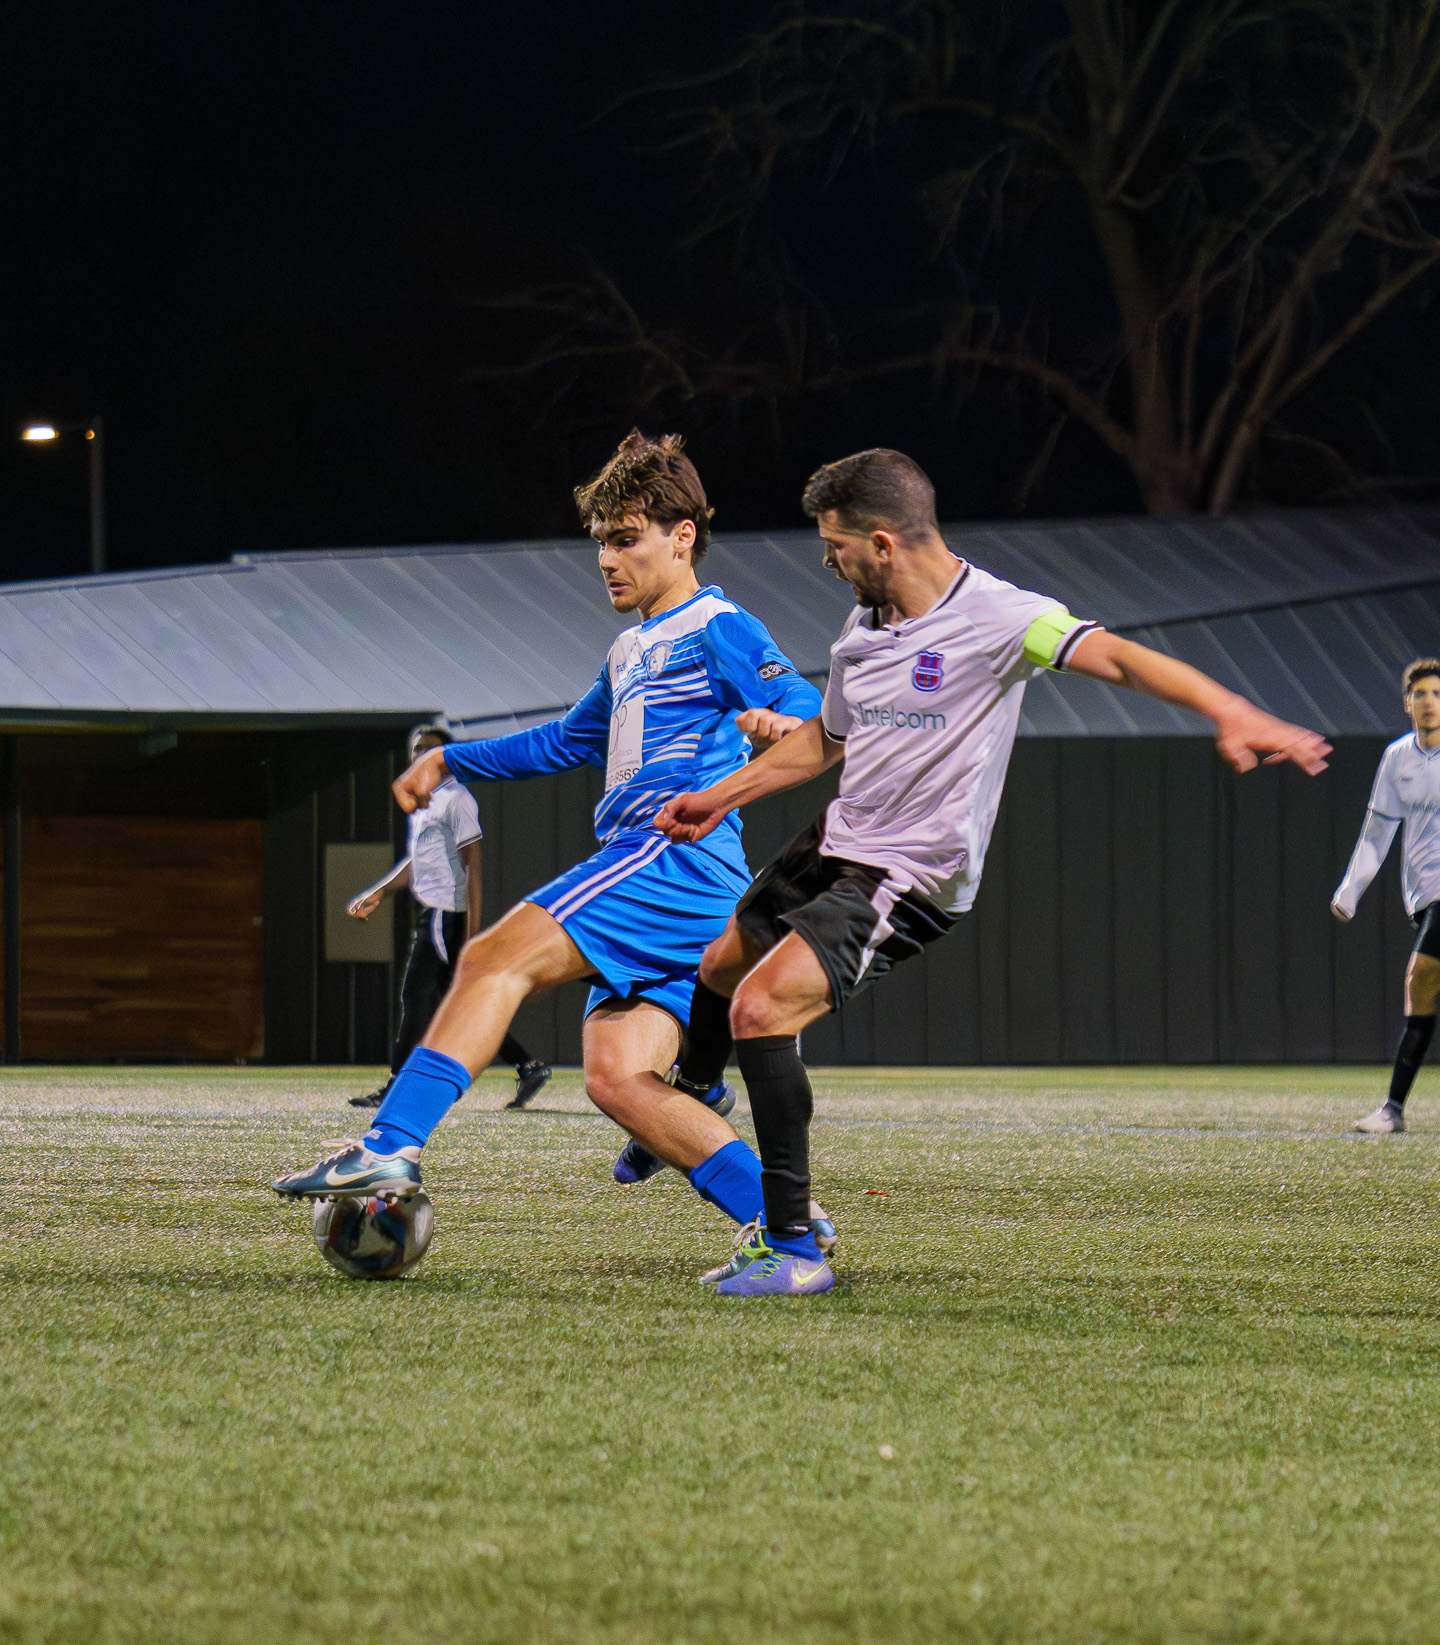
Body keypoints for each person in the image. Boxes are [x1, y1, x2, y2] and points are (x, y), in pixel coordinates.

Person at [653, 447, 1333, 1298]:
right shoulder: (863, 629)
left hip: (910, 873)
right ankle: (697, 1090)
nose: (828, 562)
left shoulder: (1004, 617)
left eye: (835, 546)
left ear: (883, 543)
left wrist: (1229, 710)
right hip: (838, 840)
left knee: (761, 1008)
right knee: (721, 964)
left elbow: (1120, 659)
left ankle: (793, 1249)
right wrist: (718, 796)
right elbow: (827, 740)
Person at [273, 430, 827, 1270]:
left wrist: (782, 719)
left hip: (668, 862)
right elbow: (566, 740)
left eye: (626, 539)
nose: (606, 558)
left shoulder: (717, 625)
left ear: (683, 537)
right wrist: (450, 759)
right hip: (681, 886)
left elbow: (803, 702)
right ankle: (786, 1223)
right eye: (600, 541)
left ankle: (388, 1145)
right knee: (616, 1077)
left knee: (491, 959)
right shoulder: (631, 647)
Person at [346, 725, 550, 1113]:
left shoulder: (456, 798)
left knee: (416, 997)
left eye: (431, 749)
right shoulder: (426, 801)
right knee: (458, 1001)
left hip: (446, 915)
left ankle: (396, 1088)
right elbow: (418, 860)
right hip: (434, 913)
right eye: (417, 749)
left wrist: (472, 931)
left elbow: (474, 866)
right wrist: (380, 890)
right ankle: (527, 1066)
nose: (421, 755)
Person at [1331, 658, 1440, 1133]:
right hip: (1422, 896)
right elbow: (1377, 833)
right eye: (1421, 694)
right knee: (1421, 989)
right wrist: (1350, 890)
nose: (1430, 702)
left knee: (1420, 973)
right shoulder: (1398, 758)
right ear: (1406, 704)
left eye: (1438, 694)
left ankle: (1392, 1109)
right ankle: (1393, 1110)